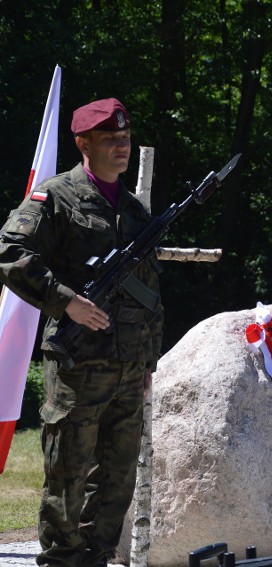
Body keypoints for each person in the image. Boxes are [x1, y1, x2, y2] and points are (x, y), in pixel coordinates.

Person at [0, 98, 164, 566]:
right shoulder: (55, 198)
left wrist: (148, 362)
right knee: (67, 478)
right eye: (110, 139)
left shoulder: (133, 210)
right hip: (78, 367)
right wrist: (65, 300)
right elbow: (9, 250)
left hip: (129, 370)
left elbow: (150, 295)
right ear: (83, 143)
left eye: (126, 138)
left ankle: (96, 559)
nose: (122, 146)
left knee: (117, 480)